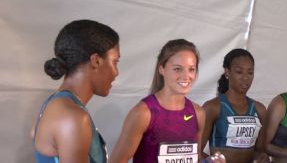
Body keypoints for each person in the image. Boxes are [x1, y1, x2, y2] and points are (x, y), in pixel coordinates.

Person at [109, 39, 225, 163]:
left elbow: (195, 158)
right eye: (177, 69)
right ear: (162, 69)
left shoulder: (198, 113)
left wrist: (210, 161)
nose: (186, 76)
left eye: (191, 69)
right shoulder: (143, 113)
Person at [33, 19, 120, 163]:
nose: (116, 72)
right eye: (115, 62)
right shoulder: (72, 117)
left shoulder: (54, 104)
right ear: (96, 61)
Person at [200, 48, 269, 163]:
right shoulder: (213, 107)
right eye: (239, 72)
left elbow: (259, 151)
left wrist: (262, 157)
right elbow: (196, 152)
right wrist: (211, 161)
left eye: (250, 72)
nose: (246, 77)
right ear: (227, 72)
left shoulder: (259, 109)